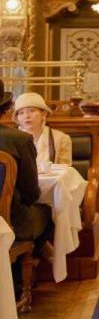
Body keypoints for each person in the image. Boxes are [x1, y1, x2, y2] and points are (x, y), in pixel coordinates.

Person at [0, 81, 53, 258]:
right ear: (5, 108)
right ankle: (24, 267)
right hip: (10, 223)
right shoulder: (20, 139)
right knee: (47, 213)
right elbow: (31, 192)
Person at [14, 92, 72, 168]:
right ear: (17, 118)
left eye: (32, 110)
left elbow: (65, 170)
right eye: (21, 113)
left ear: (44, 114)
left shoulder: (61, 138)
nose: (26, 116)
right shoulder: (12, 139)